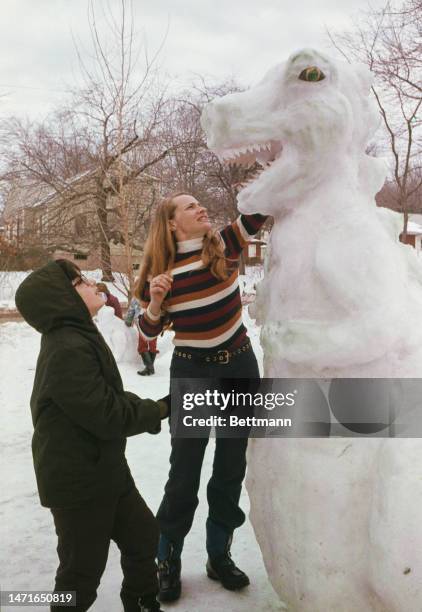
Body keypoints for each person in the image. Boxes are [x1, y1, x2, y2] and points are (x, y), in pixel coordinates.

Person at [15, 259, 171, 612]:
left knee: (143, 536)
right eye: (80, 282)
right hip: (78, 481)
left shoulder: (78, 335)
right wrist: (159, 410)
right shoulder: (66, 348)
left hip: (105, 470)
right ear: (62, 299)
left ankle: (142, 602)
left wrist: (151, 405)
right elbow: (106, 414)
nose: (92, 285)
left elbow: (106, 398)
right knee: (80, 574)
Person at [135, 192, 268, 602]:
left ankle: (218, 554)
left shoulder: (224, 243)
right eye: (191, 207)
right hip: (192, 371)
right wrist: (156, 301)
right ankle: (167, 559)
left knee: (230, 465)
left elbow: (259, 210)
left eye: (200, 204)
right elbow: (149, 332)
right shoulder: (159, 271)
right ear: (172, 223)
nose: (201, 209)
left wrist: (275, 157)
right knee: (185, 470)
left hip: (240, 366)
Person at [125, 296, 159, 376]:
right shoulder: (154, 294)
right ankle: (150, 367)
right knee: (152, 344)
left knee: (142, 345)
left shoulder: (137, 296)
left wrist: (128, 322)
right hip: (155, 321)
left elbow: (131, 310)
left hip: (142, 321)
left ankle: (149, 367)